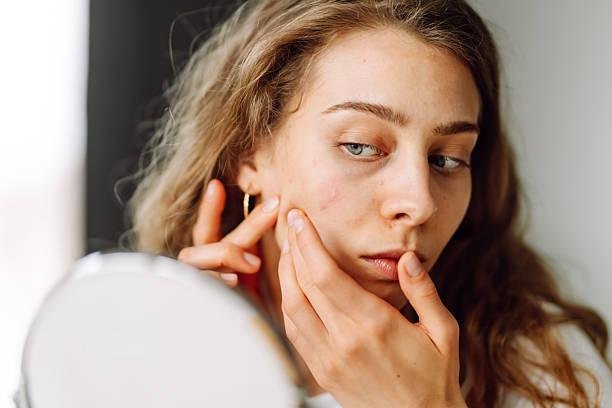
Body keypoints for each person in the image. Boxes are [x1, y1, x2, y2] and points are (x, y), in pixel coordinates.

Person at [122, 0, 611, 406]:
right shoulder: (149, 349)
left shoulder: (547, 366)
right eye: (360, 147)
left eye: (446, 159)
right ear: (249, 154)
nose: (419, 202)